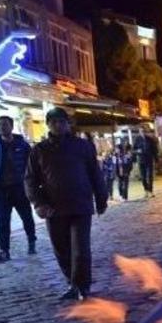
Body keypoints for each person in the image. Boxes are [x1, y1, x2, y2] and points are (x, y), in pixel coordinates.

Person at [25, 107, 108, 301]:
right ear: (48, 125)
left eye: (61, 122)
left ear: (67, 124)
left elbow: (95, 173)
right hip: (54, 208)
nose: (58, 125)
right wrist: (38, 203)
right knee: (61, 249)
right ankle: (72, 283)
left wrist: (101, 197)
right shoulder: (39, 150)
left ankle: (82, 286)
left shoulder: (83, 146)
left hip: (81, 204)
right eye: (54, 122)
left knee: (81, 249)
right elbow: (30, 179)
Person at [0, 116, 37, 262]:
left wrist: (30, 184)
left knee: (26, 217)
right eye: (0, 124)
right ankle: (4, 250)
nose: (2, 127)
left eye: (5, 124)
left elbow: (31, 166)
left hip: (19, 188)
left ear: (12, 127)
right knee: (1, 221)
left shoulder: (22, 145)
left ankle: (31, 240)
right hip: (0, 190)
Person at [136, 128, 159, 198]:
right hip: (141, 160)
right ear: (139, 132)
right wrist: (137, 151)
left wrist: (156, 159)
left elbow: (155, 150)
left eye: (144, 131)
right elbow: (134, 149)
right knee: (143, 177)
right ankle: (146, 190)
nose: (143, 133)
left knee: (150, 176)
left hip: (149, 160)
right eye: (141, 131)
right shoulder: (137, 140)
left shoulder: (150, 139)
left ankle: (151, 191)